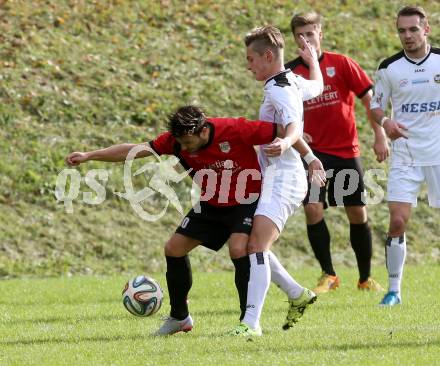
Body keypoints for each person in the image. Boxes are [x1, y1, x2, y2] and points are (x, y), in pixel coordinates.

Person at [65, 105, 322, 336]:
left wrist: (309, 158)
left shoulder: (234, 129)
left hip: (247, 200)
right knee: (173, 249)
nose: (184, 149)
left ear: (202, 131)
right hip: (211, 203)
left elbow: (289, 128)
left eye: (188, 142)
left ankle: (248, 322)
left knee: (238, 249)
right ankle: (180, 317)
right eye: (180, 143)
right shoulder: (175, 142)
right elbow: (133, 150)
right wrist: (89, 155)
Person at [229, 25, 326, 337]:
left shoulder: (279, 88)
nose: (248, 65)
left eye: (251, 58)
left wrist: (286, 143)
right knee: (248, 244)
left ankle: (250, 325)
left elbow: (293, 125)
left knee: (255, 245)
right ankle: (297, 294)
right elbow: (317, 87)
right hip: (275, 176)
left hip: (284, 179)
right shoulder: (291, 80)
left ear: (267, 56)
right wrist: (312, 61)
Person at [284, 12, 389, 294]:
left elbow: (370, 99)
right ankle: (329, 275)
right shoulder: (290, 72)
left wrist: (379, 135)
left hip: (345, 151)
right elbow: (281, 111)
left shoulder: (341, 64)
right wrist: (295, 131)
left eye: (310, 33)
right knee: (313, 209)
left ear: (320, 33)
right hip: (312, 155)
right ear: (294, 38)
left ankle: (365, 278)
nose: (306, 39)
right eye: (300, 35)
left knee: (356, 211)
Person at [370, 6, 440, 306]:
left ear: (426, 29)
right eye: (402, 30)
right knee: (397, 221)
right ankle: (394, 290)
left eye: (413, 29)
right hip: (406, 155)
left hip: (438, 153)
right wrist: (386, 123)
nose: (407, 35)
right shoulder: (389, 68)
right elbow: (376, 106)